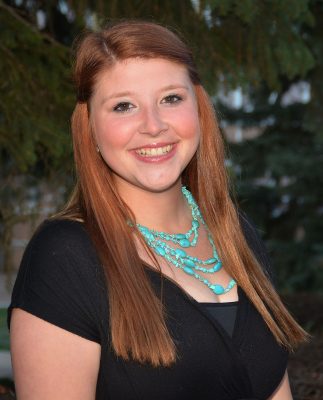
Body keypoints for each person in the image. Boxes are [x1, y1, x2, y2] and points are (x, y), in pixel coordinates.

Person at [8, 20, 307, 400]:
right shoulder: (65, 259)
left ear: (198, 107)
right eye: (124, 106)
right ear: (90, 130)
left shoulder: (237, 235)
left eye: (170, 99)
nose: (153, 126)